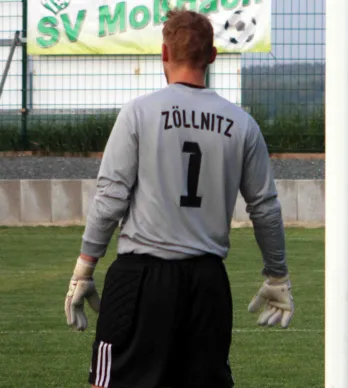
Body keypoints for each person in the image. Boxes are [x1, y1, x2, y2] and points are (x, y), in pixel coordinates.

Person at [63, 9, 294, 388]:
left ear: (164, 54)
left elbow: (111, 198)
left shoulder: (139, 112)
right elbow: (265, 209)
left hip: (142, 278)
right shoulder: (242, 123)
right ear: (213, 55)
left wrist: (85, 267)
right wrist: (277, 274)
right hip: (207, 283)